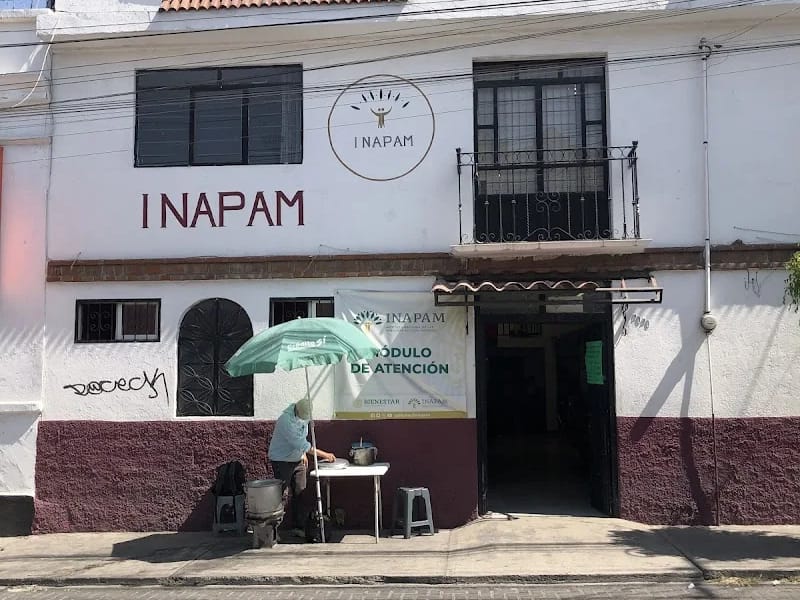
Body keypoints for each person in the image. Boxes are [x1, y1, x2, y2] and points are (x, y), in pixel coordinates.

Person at [268, 397, 336, 535]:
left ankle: (298, 527)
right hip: (282, 460)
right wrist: (325, 455)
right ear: (296, 410)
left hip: (298, 459)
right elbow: (300, 443)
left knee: (300, 492)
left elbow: (302, 438)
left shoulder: (304, 417)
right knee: (280, 494)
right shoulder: (285, 421)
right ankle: (273, 531)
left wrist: (303, 454)